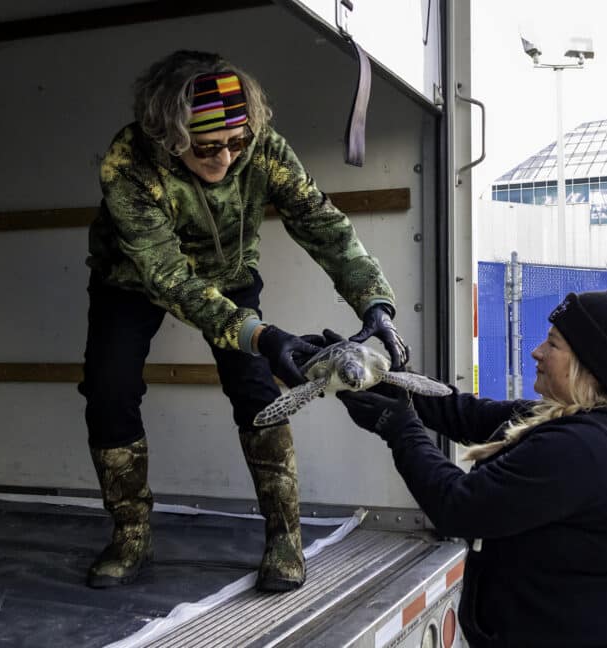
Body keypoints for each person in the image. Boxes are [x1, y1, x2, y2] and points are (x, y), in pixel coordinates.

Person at [78, 50, 407, 592]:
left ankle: (284, 536)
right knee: (109, 392)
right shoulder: (128, 164)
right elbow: (167, 277)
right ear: (168, 134)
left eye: (237, 142)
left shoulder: (263, 149)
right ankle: (131, 535)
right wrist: (264, 334)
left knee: (256, 389)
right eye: (208, 148)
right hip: (134, 278)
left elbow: (320, 222)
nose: (227, 159)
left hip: (229, 273)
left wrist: (375, 302)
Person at [337, 287, 607, 647]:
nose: (537, 351)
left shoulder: (586, 449)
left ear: (590, 366)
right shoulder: (581, 421)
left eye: (553, 344)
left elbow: (458, 506)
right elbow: (464, 414)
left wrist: (400, 429)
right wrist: (388, 376)